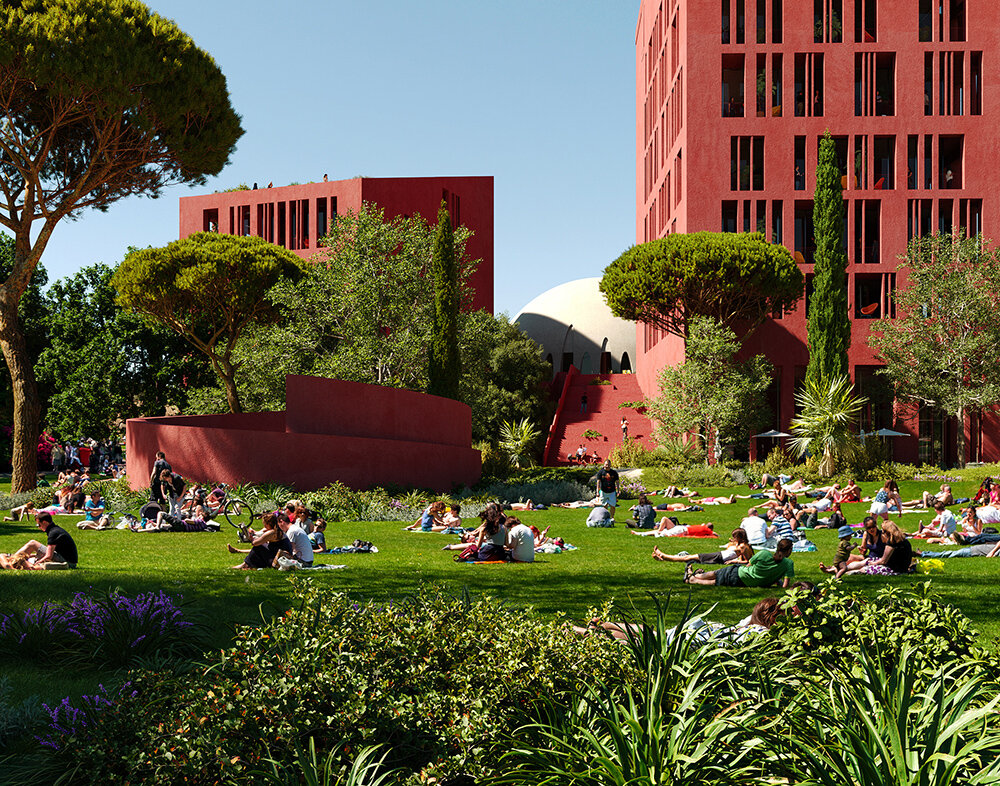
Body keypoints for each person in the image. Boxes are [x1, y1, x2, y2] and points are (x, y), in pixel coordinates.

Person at [684, 538, 795, 588]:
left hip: (740, 573)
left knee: (716, 574)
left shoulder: (764, 554)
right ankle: (693, 577)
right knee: (715, 582)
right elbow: (785, 586)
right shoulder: (788, 564)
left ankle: (692, 577)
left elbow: (748, 565)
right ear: (789, 550)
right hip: (744, 582)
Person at [841, 522, 913, 576]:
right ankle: (841, 569)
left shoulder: (892, 543)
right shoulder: (902, 540)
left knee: (864, 568)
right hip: (900, 567)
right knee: (866, 561)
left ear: (887, 532)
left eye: (883, 531)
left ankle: (842, 570)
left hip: (895, 569)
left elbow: (883, 561)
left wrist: (873, 563)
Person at [12, 512, 78, 569]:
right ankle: (15, 558)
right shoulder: (56, 530)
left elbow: (49, 556)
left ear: (44, 522)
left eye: (39, 525)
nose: (38, 527)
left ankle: (12, 559)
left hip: (68, 563)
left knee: (33, 543)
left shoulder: (53, 533)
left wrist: (38, 562)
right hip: (70, 561)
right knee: (32, 555)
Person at [652, 528, 752, 564]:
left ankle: (664, 556)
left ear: (740, 537)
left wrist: (733, 561)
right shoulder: (739, 544)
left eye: (735, 537)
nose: (733, 538)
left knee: (689, 557)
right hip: (718, 555)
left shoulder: (743, 546)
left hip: (719, 557)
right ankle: (664, 558)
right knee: (691, 558)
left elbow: (749, 561)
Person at [631, 519, 715, 537]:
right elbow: (715, 534)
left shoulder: (702, 527)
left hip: (681, 528)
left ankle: (641, 533)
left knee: (663, 523)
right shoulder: (704, 529)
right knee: (660, 530)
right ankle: (642, 533)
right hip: (680, 529)